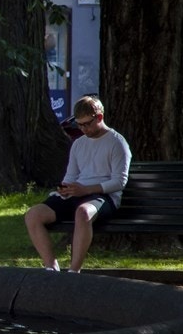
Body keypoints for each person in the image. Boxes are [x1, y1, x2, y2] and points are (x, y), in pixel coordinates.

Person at [25, 95, 132, 273]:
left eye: (87, 124)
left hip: (102, 195)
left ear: (99, 117)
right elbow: (71, 175)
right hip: (78, 192)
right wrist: (66, 188)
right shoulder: (78, 144)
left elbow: (119, 181)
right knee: (33, 215)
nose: (84, 129)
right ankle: (51, 267)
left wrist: (87, 190)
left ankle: (74, 271)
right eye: (79, 125)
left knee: (83, 213)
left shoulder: (116, 142)